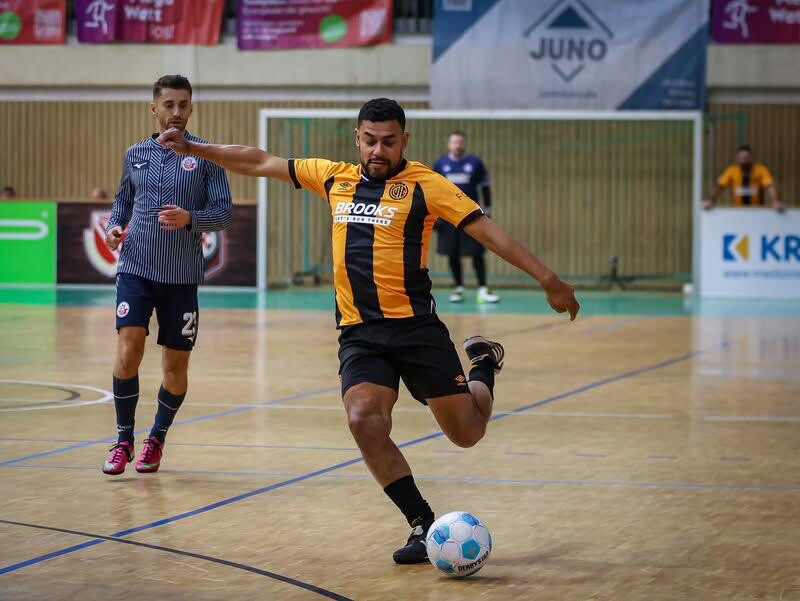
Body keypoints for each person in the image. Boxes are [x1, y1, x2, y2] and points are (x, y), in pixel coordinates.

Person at [158, 98, 579, 564]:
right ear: (357, 138)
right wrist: (195, 146)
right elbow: (258, 160)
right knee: (363, 420)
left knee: (467, 434)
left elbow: (488, 233)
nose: (379, 150)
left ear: (405, 141)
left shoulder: (426, 185)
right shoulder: (334, 177)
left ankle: (482, 362)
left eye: (390, 141)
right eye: (371, 140)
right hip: (360, 334)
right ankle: (421, 522)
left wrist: (547, 278)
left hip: (417, 330)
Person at [102, 75, 232, 476]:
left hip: (181, 277)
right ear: (154, 109)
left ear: (191, 109)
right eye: (169, 104)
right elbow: (123, 202)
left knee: (175, 369)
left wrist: (191, 218)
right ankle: (123, 439)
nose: (176, 112)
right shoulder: (135, 154)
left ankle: (156, 438)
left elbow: (224, 214)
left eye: (183, 105)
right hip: (135, 268)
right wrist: (113, 227)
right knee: (129, 348)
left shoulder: (207, 156)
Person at [433, 131, 499, 303]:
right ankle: (459, 289)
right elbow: (433, 191)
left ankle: (483, 289)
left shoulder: (475, 163)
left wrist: (488, 210)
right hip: (448, 217)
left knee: (477, 253)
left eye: (460, 142)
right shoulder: (441, 164)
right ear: (449, 144)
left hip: (471, 216)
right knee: (452, 254)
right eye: (454, 142)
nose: (457, 145)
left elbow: (484, 187)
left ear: (464, 144)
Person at [703, 144, 785, 211]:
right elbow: (719, 186)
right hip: (738, 210)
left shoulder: (760, 170)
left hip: (757, 211)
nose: (744, 161)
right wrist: (710, 200)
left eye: (746, 158)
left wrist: (776, 201)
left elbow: (770, 186)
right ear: (737, 158)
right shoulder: (732, 171)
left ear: (751, 158)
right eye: (741, 158)